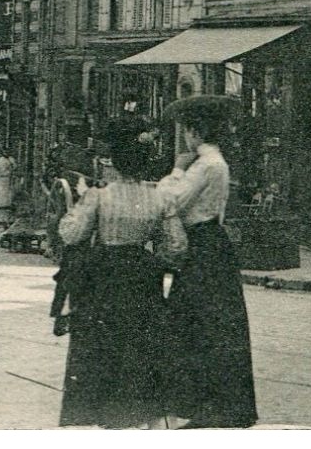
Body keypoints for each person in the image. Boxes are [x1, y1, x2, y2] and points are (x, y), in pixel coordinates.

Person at [55, 115, 187, 429]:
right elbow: (177, 245)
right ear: (145, 163)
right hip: (142, 275)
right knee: (138, 344)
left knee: (101, 343)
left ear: (114, 162)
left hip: (104, 273)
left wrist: (72, 205)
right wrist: (155, 255)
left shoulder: (100, 195)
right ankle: (135, 412)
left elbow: (72, 235)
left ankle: (97, 412)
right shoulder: (159, 198)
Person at [157, 96, 258, 429]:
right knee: (213, 324)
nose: (185, 137)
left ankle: (205, 406)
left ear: (195, 131)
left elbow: (173, 200)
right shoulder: (217, 162)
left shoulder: (204, 165)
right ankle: (214, 404)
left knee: (193, 323)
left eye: (187, 130)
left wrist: (174, 170)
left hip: (202, 244)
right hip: (213, 244)